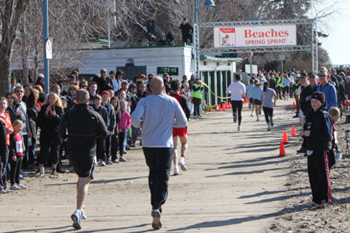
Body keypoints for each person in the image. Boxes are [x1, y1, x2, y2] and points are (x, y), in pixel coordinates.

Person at [131, 76, 187, 230]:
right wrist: (171, 123)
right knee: (163, 175)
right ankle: (158, 204)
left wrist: (142, 124)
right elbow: (183, 122)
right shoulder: (172, 101)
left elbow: (134, 120)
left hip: (148, 144)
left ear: (150, 88)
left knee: (153, 172)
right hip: (165, 144)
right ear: (164, 87)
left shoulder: (144, 102)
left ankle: (154, 203)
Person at [58, 89, 108, 230]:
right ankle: (78, 211)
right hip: (88, 152)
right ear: (88, 100)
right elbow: (104, 133)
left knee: (80, 178)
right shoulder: (94, 114)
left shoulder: (69, 114)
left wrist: (66, 137)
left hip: (73, 151)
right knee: (85, 181)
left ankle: (81, 206)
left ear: (75, 100)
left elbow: (61, 129)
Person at [300, 91, 333, 208]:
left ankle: (326, 199)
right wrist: (304, 134)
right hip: (311, 148)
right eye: (312, 101)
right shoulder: (310, 114)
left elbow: (327, 135)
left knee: (323, 175)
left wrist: (311, 133)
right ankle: (316, 199)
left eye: (316, 102)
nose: (313, 104)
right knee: (312, 175)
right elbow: (308, 129)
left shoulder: (324, 115)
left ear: (321, 102)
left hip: (321, 149)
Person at [37, 93, 64, 176]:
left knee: (55, 151)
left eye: (53, 98)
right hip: (45, 132)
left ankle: (54, 168)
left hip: (55, 133)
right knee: (43, 151)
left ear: (56, 100)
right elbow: (40, 120)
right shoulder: (43, 107)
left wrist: (55, 115)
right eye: (50, 98)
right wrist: (46, 112)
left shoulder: (59, 109)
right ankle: (41, 169)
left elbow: (61, 121)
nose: (51, 100)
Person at [170, 79, 190, 175]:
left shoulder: (168, 98)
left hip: (171, 124)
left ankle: (175, 167)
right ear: (179, 88)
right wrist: (187, 119)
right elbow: (188, 110)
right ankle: (182, 158)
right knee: (184, 143)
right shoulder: (182, 97)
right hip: (181, 123)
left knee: (174, 147)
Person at [91, 95, 109, 166]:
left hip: (101, 130)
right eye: (96, 100)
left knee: (102, 145)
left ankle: (102, 159)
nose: (97, 102)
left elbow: (106, 120)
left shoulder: (104, 110)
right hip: (93, 131)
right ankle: (94, 160)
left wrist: (105, 128)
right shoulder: (91, 109)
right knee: (93, 146)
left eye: (99, 100)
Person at [0, 97, 13, 194]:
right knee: (1, 164)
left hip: (7, 142)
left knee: (4, 163)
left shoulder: (7, 116)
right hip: (1, 142)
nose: (2, 105)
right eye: (0, 103)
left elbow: (11, 127)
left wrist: (9, 130)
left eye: (4, 103)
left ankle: (4, 184)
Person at [9, 120, 26, 190]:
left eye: (20, 127)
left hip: (20, 154)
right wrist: (13, 154)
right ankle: (12, 183)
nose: (19, 128)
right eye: (17, 127)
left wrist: (22, 154)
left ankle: (18, 182)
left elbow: (22, 145)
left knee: (18, 169)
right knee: (14, 169)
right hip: (15, 155)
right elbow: (11, 146)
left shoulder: (20, 135)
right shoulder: (12, 135)